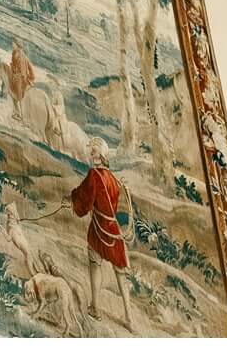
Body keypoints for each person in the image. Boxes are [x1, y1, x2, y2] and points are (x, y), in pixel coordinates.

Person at [70, 137, 133, 327]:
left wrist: (72, 199)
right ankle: (129, 318)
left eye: (94, 151)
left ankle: (96, 308)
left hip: (99, 228)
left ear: (102, 156)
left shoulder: (94, 175)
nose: (92, 153)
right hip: (113, 229)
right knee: (120, 272)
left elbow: (85, 198)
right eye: (92, 151)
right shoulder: (113, 179)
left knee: (95, 264)